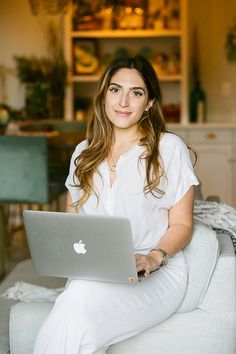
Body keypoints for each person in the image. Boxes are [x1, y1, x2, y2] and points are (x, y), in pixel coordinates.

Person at [33, 55, 199, 354]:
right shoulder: (84, 153)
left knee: (76, 302)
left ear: (149, 103)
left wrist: (153, 257)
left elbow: (183, 225)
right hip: (95, 273)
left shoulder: (168, 148)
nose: (123, 101)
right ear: (103, 95)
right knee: (80, 319)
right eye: (115, 90)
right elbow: (73, 224)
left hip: (157, 275)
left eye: (136, 93)